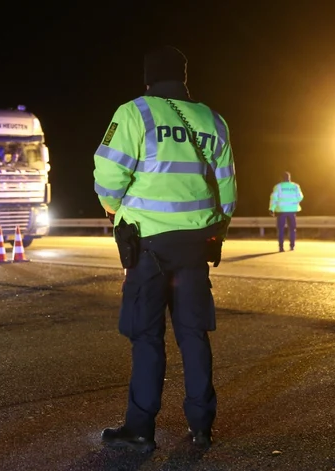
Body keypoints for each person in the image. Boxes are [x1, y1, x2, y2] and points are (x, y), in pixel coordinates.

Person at [93, 45, 237, 452]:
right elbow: (227, 191)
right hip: (195, 245)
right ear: (184, 77)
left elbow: (108, 173)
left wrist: (116, 209)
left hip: (148, 247)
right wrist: (216, 232)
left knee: (147, 337)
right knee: (194, 335)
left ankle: (140, 430)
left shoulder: (135, 112)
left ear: (148, 78)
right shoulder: (213, 119)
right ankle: (201, 426)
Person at [269, 172, 304, 252]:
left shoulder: (278, 187)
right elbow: (300, 197)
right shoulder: (295, 186)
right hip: (292, 210)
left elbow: (274, 199)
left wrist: (271, 209)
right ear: (289, 178)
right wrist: (293, 202)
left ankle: (281, 247)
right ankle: (292, 246)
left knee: (280, 229)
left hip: (282, 210)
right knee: (292, 229)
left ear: (281, 178)